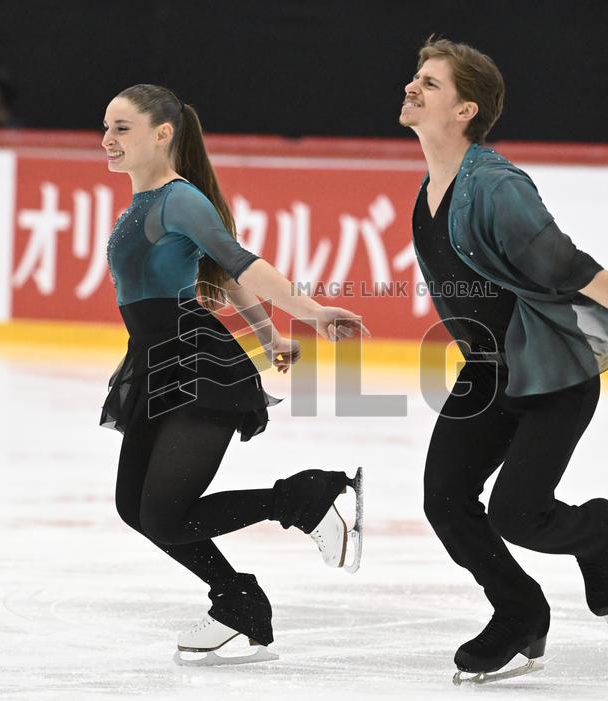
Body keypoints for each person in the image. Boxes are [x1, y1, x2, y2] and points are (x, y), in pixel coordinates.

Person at [399, 39, 608, 683]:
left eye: (430, 84)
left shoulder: (496, 188)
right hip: (490, 370)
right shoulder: (430, 189)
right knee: (445, 499)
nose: (412, 88)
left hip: (554, 373)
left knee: (516, 514)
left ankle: (598, 531)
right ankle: (520, 611)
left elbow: (575, 269)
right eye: (416, 78)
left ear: (465, 108)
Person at [99, 84, 367, 665]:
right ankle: (239, 602)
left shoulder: (178, 198)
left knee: (165, 513)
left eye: (122, 128)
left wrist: (311, 312)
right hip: (152, 363)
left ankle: (304, 502)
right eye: (106, 128)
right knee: (135, 508)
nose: (108, 140)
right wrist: (267, 335)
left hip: (195, 363)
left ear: (162, 133)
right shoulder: (142, 204)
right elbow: (223, 272)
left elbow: (243, 261)